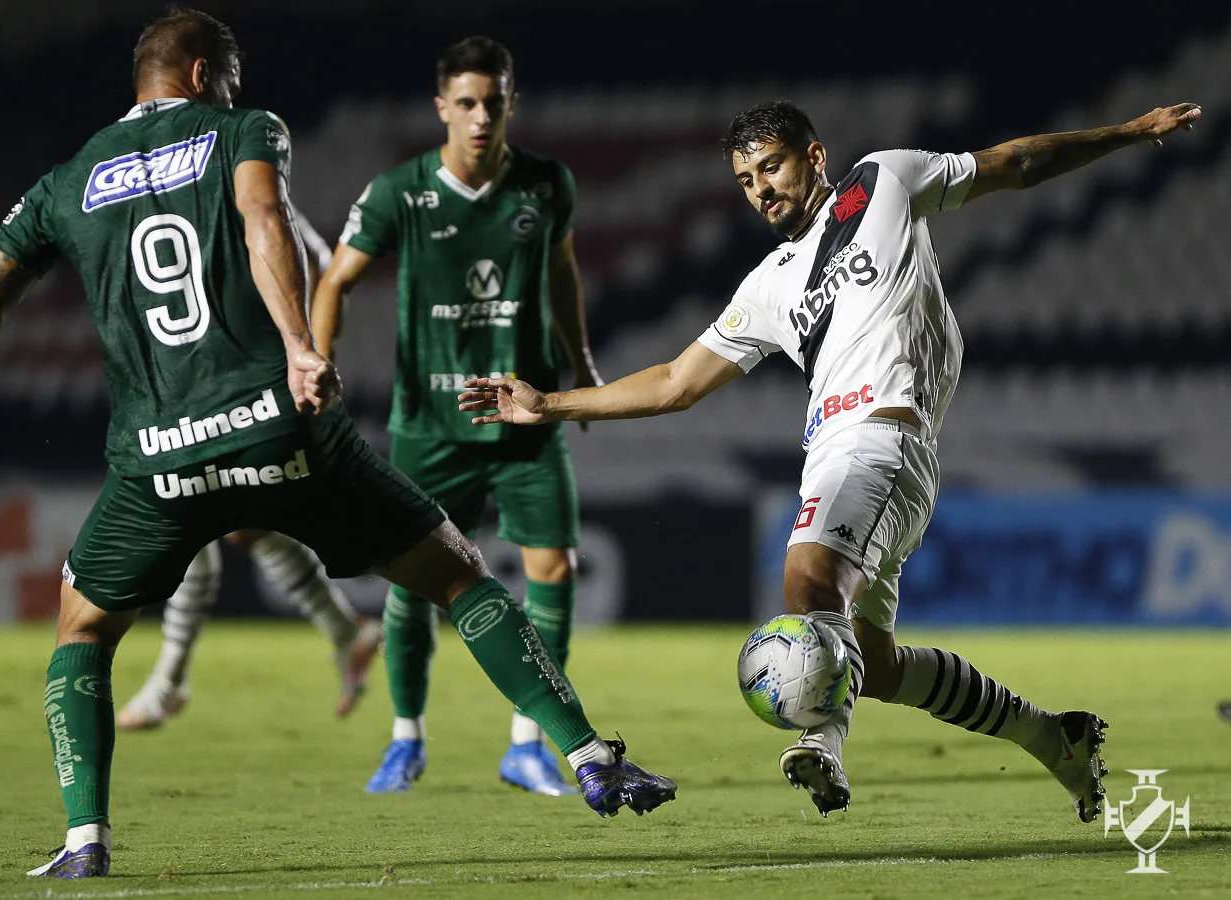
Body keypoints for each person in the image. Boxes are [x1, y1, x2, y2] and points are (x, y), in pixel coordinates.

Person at [0, 7, 674, 880]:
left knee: (81, 631)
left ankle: (85, 842)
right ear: (201, 76)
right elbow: (262, 214)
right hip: (280, 434)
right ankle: (585, 754)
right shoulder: (243, 129)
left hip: (158, 462)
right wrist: (301, 345)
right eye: (226, 79)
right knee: (457, 574)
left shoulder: (63, 183)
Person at [460, 98, 1202, 821]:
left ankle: (823, 741)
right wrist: (548, 404)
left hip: (884, 434)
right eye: (747, 181)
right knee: (874, 666)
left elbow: (1019, 163)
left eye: (772, 167)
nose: (761, 189)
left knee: (807, 582)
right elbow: (675, 383)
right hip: (841, 454)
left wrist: (1129, 133)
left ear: (813, 156)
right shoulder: (769, 283)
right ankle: (1053, 736)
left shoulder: (881, 182)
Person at [311, 36, 601, 796]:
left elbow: (564, 274)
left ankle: (527, 744)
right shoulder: (398, 192)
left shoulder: (546, 185)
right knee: (412, 590)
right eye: (466, 103)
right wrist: (316, 362)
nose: (480, 117)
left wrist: (583, 368)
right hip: (431, 426)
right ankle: (406, 738)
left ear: (512, 103)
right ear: (442, 107)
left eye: (493, 102)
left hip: (526, 421)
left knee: (554, 568)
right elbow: (334, 281)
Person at [114, 213, 382, 730]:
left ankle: (169, 682)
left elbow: (324, 270)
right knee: (237, 527)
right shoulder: (227, 197)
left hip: (247, 388)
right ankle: (346, 631)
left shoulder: (248, 202)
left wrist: (302, 355)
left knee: (200, 518)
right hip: (220, 385)